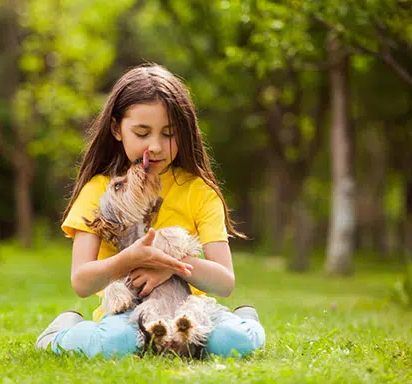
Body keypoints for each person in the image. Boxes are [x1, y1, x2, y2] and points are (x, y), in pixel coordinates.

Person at [35, 64, 265, 358]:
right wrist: (130, 259)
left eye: (168, 134)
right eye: (142, 133)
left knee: (233, 341)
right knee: (117, 344)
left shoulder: (199, 191)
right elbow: (82, 281)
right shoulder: (100, 190)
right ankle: (60, 332)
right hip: (127, 314)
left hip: (191, 313)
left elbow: (224, 282)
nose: (154, 147)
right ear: (117, 129)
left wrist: (169, 264)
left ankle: (246, 319)